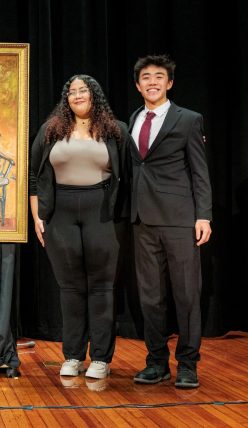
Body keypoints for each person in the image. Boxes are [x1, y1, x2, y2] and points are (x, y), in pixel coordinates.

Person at [29, 75, 130, 380]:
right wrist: (37, 217)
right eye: (71, 91)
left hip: (102, 209)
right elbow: (34, 176)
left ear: (94, 95)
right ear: (66, 99)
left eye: (82, 90)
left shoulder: (115, 130)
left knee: (101, 287)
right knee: (70, 287)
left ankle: (100, 357)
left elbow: (129, 175)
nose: (77, 95)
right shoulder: (51, 130)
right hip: (60, 211)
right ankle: (73, 355)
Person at [129, 54, 212, 389]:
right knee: (150, 297)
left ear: (170, 82)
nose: (152, 82)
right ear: (138, 85)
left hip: (179, 219)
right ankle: (156, 361)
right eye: (146, 77)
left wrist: (203, 214)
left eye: (159, 76)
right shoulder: (134, 117)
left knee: (187, 295)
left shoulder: (189, 120)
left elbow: (199, 171)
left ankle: (188, 364)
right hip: (142, 220)